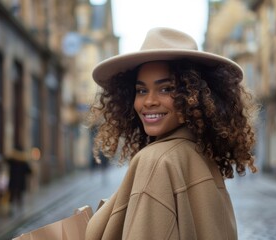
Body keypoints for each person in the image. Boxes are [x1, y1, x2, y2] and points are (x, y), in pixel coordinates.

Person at [85, 27, 258, 240]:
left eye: (166, 89)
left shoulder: (156, 161)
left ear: (194, 95)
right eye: (141, 90)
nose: (149, 101)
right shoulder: (199, 154)